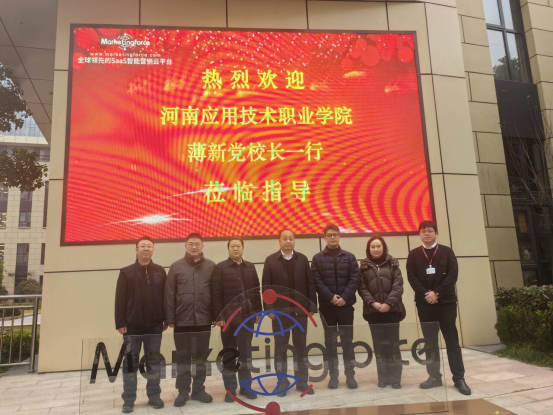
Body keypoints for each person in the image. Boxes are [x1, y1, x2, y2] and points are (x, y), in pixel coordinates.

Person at [406, 220, 471, 395]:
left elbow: (452, 276)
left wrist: (437, 293)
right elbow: (412, 278)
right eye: (423, 231)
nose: (427, 234)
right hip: (424, 304)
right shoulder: (413, 254)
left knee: (452, 342)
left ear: (436, 233)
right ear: (419, 234)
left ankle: (459, 378)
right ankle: (434, 377)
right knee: (430, 343)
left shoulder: (447, 252)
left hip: (446, 303)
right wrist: (427, 294)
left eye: (430, 231)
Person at [115, 236, 167, 413]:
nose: (146, 249)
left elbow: (165, 297)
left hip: (155, 325)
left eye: (149, 246)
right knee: (130, 363)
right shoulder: (126, 272)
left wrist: (165, 318)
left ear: (153, 249)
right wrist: (120, 322)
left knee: (154, 362)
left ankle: (154, 396)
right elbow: (120, 299)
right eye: (142, 246)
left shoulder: (160, 271)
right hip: (132, 325)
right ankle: (129, 399)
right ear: (136, 250)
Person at [262, 229, 317, 397]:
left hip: (300, 312)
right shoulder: (270, 260)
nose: (288, 241)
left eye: (291, 238)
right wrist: (269, 309)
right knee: (281, 349)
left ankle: (302, 382)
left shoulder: (303, 259)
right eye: (284, 239)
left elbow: (310, 284)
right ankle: (282, 382)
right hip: (280, 313)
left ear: (294, 241)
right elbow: (266, 287)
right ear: (279, 241)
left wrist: (312, 307)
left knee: (301, 347)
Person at [164, 233, 215, 407]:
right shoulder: (176, 266)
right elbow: (169, 293)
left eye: (197, 244)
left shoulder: (211, 266)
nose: (194, 247)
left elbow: (216, 293)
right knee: (183, 357)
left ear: (203, 246)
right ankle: (183, 391)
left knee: (201, 358)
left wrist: (215, 316)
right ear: (185, 246)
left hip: (204, 320)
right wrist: (170, 317)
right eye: (191, 244)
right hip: (182, 320)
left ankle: (199, 390)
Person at [212, 238, 263, 403]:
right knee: (229, 354)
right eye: (232, 246)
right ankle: (230, 390)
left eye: (238, 246)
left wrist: (258, 311)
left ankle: (246, 387)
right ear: (228, 249)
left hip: (247, 318)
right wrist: (218, 316)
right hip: (228, 320)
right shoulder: (220, 268)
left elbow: (256, 291)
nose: (235, 249)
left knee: (245, 354)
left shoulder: (250, 267)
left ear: (243, 248)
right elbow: (216, 293)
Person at [311, 224, 360, 389]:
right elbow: (317, 281)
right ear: (324, 237)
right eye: (329, 235)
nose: (332, 237)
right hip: (327, 307)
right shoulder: (317, 259)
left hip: (346, 306)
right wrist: (331, 297)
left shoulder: (350, 257)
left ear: (339, 236)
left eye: (335, 235)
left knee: (348, 342)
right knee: (330, 343)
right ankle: (333, 376)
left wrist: (344, 297)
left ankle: (350, 376)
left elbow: (355, 279)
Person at [358, 236, 406, 389]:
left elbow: (398, 286)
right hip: (374, 312)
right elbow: (362, 288)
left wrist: (388, 303)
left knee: (393, 345)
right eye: (373, 247)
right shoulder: (363, 267)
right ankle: (383, 378)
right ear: (369, 249)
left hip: (392, 311)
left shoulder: (393, 264)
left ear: (384, 247)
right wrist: (373, 303)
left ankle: (396, 378)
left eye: (378, 246)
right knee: (379, 347)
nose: (376, 249)